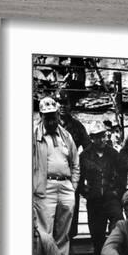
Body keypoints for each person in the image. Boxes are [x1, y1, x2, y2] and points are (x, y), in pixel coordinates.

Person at [33, 96, 80, 255]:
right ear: (41, 116)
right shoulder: (33, 136)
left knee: (63, 232)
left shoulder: (66, 135)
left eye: (53, 115)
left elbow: (75, 162)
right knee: (44, 233)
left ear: (58, 115)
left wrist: (72, 185)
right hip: (45, 188)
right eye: (47, 116)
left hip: (66, 187)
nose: (51, 120)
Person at [79, 121, 124, 255]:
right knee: (96, 232)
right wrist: (86, 192)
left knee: (118, 222)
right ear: (92, 138)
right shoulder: (85, 155)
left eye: (104, 136)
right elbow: (79, 177)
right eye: (98, 137)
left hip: (111, 197)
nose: (103, 139)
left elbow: (122, 173)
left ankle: (115, 253)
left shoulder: (113, 153)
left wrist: (118, 191)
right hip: (94, 200)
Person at [56, 91, 91, 241]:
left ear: (71, 105)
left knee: (70, 213)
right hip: (51, 176)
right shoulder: (47, 123)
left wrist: (80, 167)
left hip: (71, 179)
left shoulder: (77, 126)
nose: (62, 106)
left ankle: (68, 253)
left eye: (66, 103)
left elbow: (89, 149)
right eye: (60, 102)